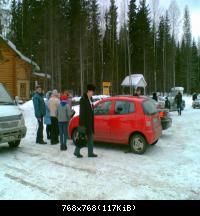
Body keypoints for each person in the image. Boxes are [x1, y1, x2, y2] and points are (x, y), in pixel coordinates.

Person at [74, 84, 98, 158]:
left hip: (90, 122)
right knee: (82, 138)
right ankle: (76, 151)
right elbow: (82, 113)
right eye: (92, 91)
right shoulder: (83, 99)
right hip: (84, 123)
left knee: (90, 138)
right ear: (88, 91)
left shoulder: (90, 99)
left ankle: (90, 153)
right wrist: (82, 125)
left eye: (93, 92)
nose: (92, 93)